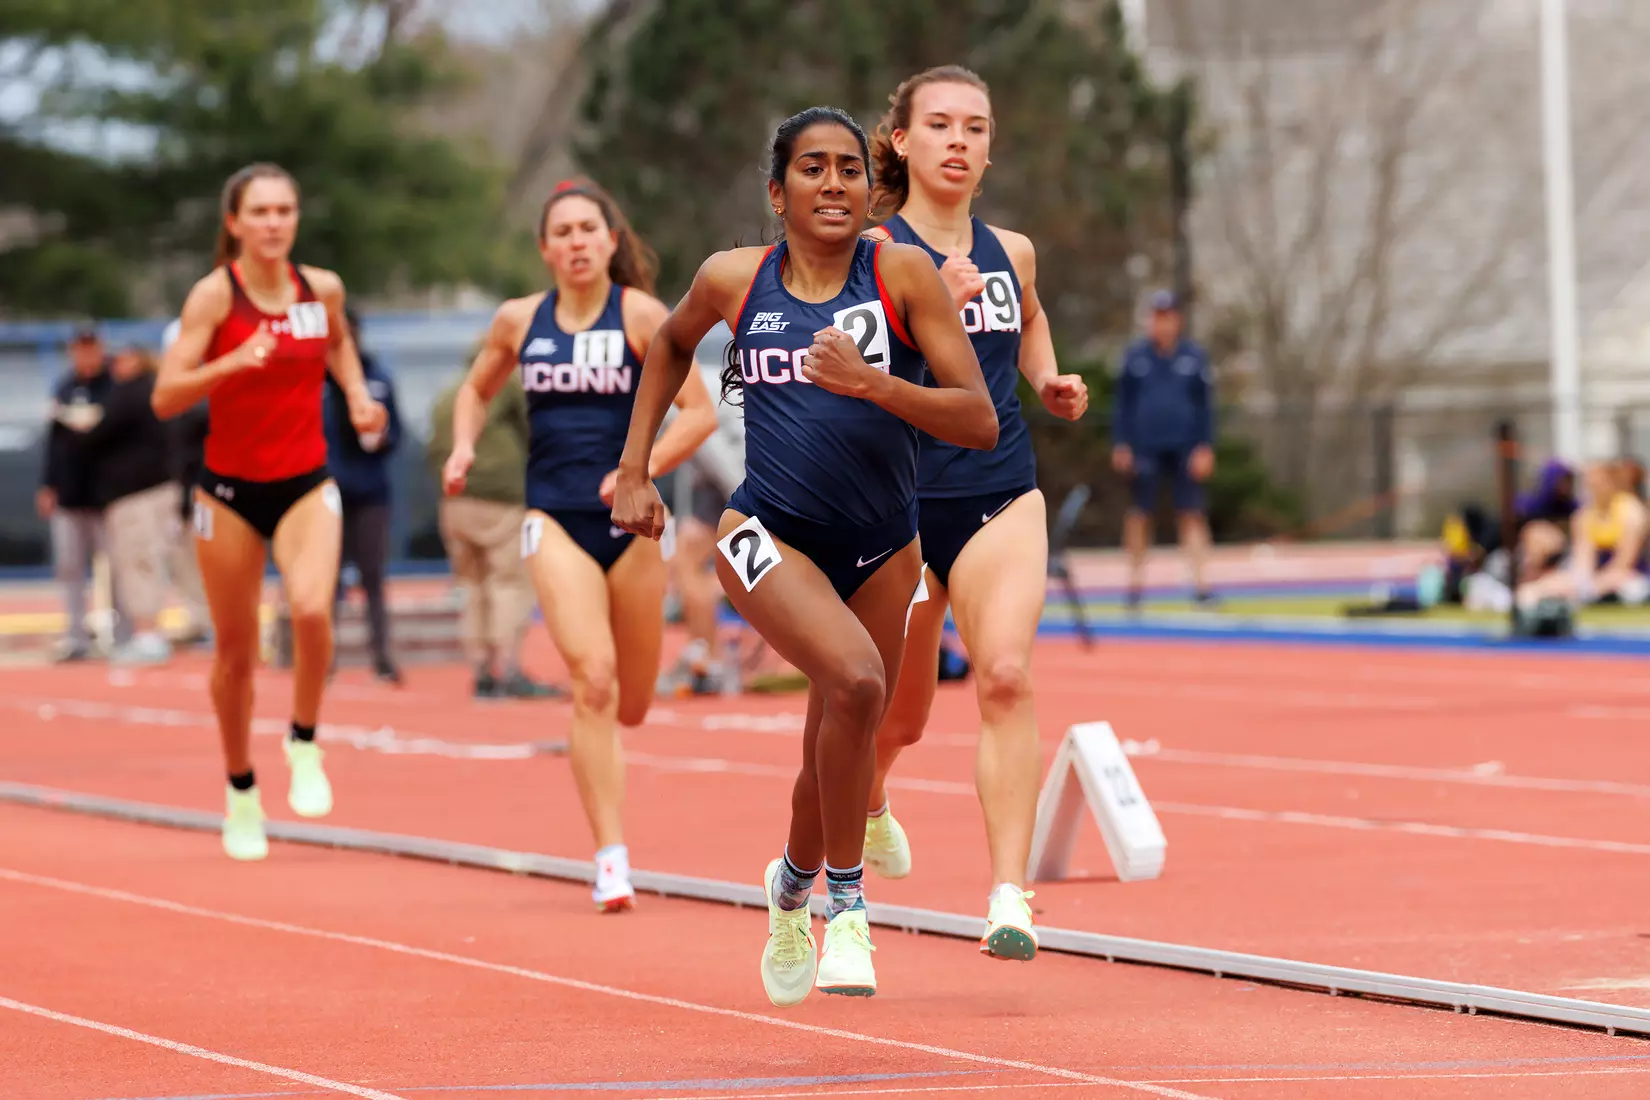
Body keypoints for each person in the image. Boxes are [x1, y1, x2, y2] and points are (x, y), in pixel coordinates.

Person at [610, 106, 997, 1006]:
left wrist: (874, 384)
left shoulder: (901, 274)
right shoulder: (734, 280)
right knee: (860, 685)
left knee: (838, 734)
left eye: (851, 170)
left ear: (870, 188)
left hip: (884, 546)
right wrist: (635, 470)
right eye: (813, 169)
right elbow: (668, 346)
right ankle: (847, 913)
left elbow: (977, 419)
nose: (834, 184)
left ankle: (788, 885)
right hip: (766, 533)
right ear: (776, 190)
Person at [856, 65, 1090, 963]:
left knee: (1003, 677)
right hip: (899, 505)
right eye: (942, 125)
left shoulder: (1014, 250)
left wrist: (1050, 379)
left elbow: (1027, 321)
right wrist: (925, 311)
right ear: (903, 141)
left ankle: (1009, 896)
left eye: (977, 128)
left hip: (1000, 491)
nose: (960, 141)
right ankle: (871, 797)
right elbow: (842, 371)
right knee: (899, 713)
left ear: (990, 149)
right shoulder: (871, 255)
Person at [442, 178, 718, 912]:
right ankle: (611, 858)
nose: (575, 243)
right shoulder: (518, 321)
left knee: (630, 704)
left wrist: (637, 470)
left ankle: (615, 773)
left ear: (609, 240)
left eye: (587, 230)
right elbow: (474, 391)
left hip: (631, 527)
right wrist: (462, 449)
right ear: (544, 248)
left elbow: (698, 415)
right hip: (554, 521)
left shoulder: (641, 316)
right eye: (561, 232)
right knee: (590, 680)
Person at [152, 162, 387, 863]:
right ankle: (241, 789)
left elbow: (339, 342)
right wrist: (232, 364)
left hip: (306, 482)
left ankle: (304, 741)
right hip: (226, 492)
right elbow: (167, 395)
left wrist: (353, 394)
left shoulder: (322, 290)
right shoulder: (213, 298)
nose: (274, 223)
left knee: (312, 610)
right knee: (235, 654)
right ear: (234, 224)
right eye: (259, 212)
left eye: (285, 210)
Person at [425, 362, 558, 700]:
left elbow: (433, 448)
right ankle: (508, 670)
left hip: (453, 501)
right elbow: (537, 429)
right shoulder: (507, 385)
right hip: (501, 498)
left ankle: (481, 670)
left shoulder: (447, 394)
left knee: (470, 586)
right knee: (509, 583)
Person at [1112, 290, 1217, 609]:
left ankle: (1201, 586)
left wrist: (1206, 447)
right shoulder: (1135, 357)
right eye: (1158, 317)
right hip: (1145, 446)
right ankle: (1134, 586)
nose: (1164, 324)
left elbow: (1206, 406)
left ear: (1178, 319)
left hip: (1185, 446)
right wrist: (1121, 443)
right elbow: (1122, 405)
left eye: (1169, 316)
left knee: (1192, 514)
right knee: (1140, 515)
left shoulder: (1194, 357)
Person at [323, 307, 404, 684]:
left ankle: (382, 655)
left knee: (373, 575)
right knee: (326, 579)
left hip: (371, 491)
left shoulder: (378, 378)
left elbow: (397, 433)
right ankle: (323, 656)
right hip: (326, 492)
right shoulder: (314, 381)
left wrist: (382, 438)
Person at [39, 324, 129, 661]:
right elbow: (53, 439)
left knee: (117, 568)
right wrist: (47, 485)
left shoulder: (114, 385)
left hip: (106, 494)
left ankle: (123, 634)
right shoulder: (64, 386)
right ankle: (76, 634)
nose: (86, 353)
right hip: (70, 493)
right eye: (80, 347)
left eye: (91, 347)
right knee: (69, 566)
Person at [83, 346, 177, 664]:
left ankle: (149, 635)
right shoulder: (152, 390)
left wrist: (80, 430)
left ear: (136, 359)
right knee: (146, 561)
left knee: (139, 561)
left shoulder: (135, 392)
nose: (114, 367)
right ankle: (150, 632)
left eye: (120, 360)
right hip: (149, 490)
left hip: (137, 495)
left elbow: (96, 436)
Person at [1516, 459, 1649, 608]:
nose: (1592, 486)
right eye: (1589, 483)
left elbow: (1624, 562)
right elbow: (1583, 561)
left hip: (1628, 576)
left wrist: (1596, 584)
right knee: (1555, 583)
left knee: (1626, 586)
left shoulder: (1631, 511)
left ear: (1611, 481)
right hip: (1597, 578)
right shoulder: (1584, 515)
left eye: (1598, 482)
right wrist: (1586, 583)